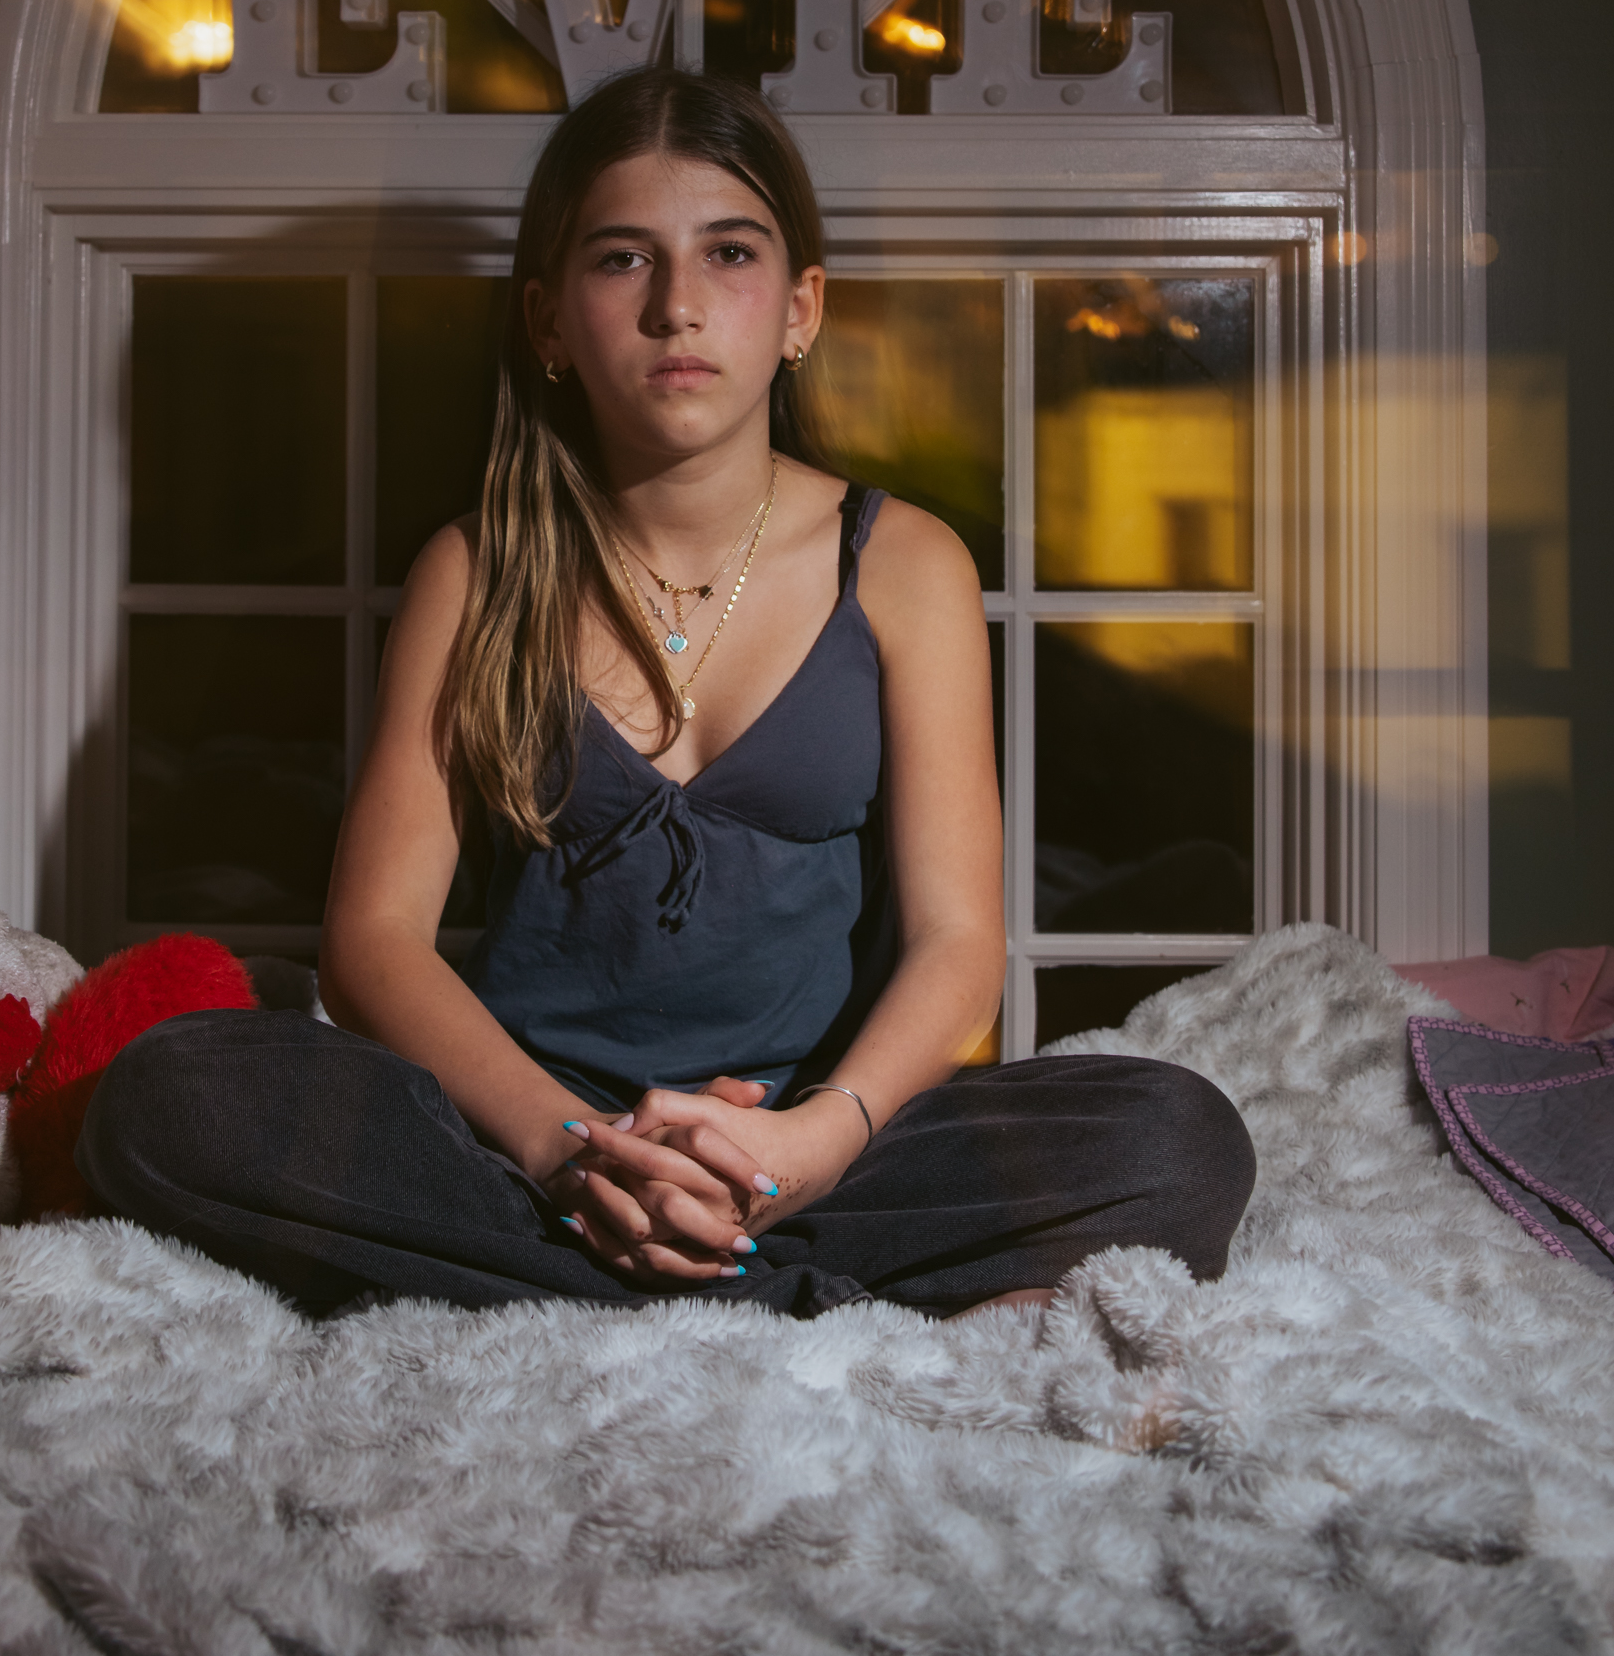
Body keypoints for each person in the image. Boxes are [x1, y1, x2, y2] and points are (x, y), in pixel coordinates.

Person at [77, 70, 1253, 1316]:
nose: (679, 305)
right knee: (172, 1097)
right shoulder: (471, 572)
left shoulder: (905, 563)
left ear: (802, 308)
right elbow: (372, 946)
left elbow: (961, 944)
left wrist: (806, 1148)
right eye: (623, 259)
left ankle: (646, 1274)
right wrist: (571, 1151)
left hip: (820, 1147)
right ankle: (743, 1283)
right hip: (523, 1150)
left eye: (730, 253)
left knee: (1178, 1135)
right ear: (545, 319)